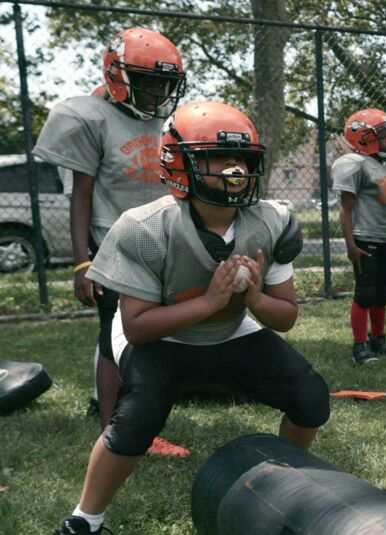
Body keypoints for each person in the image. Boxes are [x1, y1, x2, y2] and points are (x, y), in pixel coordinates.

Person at [53, 101, 331, 535]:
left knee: (309, 396)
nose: (236, 169)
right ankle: (85, 519)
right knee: (136, 420)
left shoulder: (272, 221)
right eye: (220, 158)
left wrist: (254, 298)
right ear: (183, 165)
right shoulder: (144, 227)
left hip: (233, 331)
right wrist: (209, 301)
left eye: (242, 158)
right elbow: (138, 327)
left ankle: (284, 484)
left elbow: (287, 316)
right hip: (160, 340)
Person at [33, 27, 189, 456]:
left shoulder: (168, 122)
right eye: (148, 81)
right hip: (112, 244)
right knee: (115, 336)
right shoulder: (91, 116)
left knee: (154, 337)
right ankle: (114, 431)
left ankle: (133, 417)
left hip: (161, 241)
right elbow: (80, 195)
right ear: (118, 76)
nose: (157, 91)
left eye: (164, 82)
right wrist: (83, 264)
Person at [332, 108, 386, 364]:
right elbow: (346, 211)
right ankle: (359, 346)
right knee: (365, 292)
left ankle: (379, 339)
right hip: (365, 236)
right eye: (381, 133)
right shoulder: (354, 163)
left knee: (383, 291)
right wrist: (351, 245)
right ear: (362, 137)